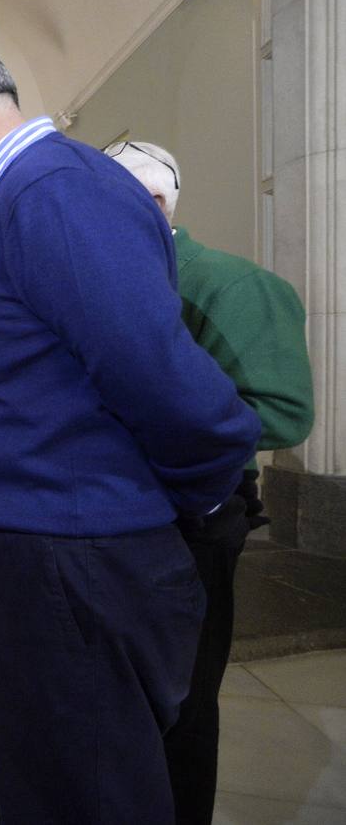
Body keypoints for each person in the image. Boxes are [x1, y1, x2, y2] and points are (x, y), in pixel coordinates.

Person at [0, 38, 261, 824]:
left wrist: (206, 496)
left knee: (86, 795)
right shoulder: (25, 196)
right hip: (51, 555)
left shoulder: (50, 189)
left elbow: (158, 375)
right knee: (64, 785)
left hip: (71, 563)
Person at [103, 140, 313, 824]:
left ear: (157, 204)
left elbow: (281, 412)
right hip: (119, 515)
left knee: (183, 697)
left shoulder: (228, 284)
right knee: (119, 682)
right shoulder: (111, 284)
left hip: (193, 522)